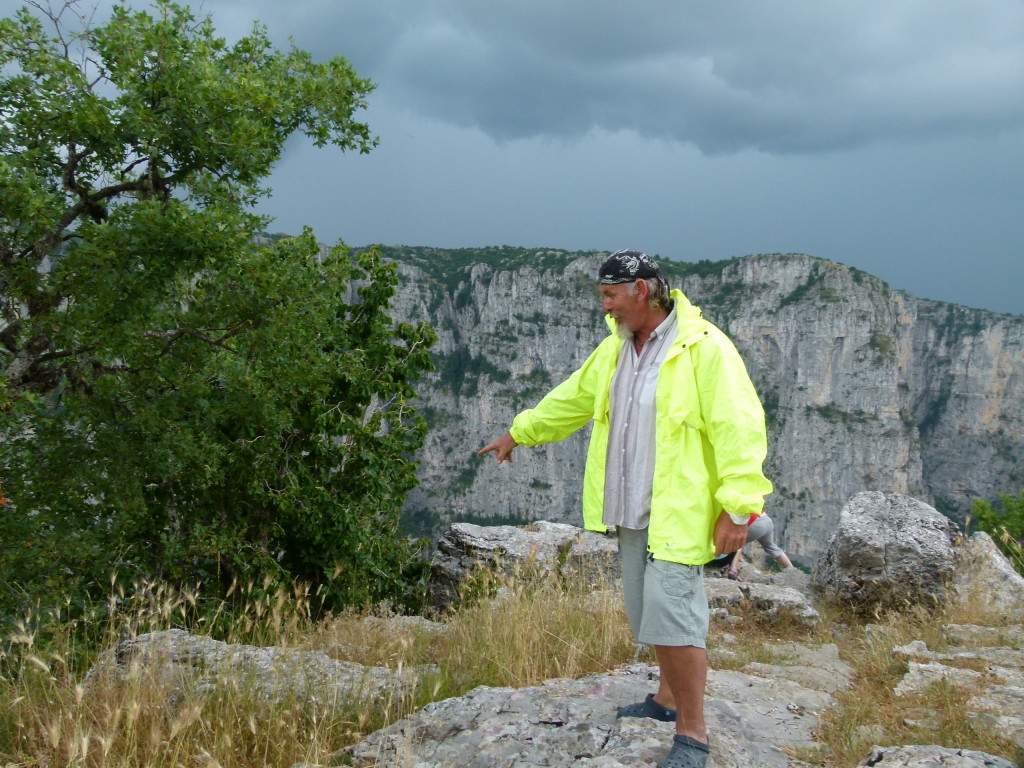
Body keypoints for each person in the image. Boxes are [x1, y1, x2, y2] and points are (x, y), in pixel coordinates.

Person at [478, 249, 773, 768]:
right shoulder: (616, 350)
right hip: (631, 508)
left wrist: (740, 509)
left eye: (610, 295)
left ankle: (693, 734)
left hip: (681, 511)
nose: (605, 307)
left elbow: (739, 430)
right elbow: (573, 398)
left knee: (675, 617)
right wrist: (518, 434)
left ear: (641, 292)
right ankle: (664, 699)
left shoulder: (704, 348)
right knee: (646, 613)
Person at [713, 512, 794, 580]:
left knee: (737, 543)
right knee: (771, 546)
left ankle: (733, 570)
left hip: (755, 524)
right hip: (766, 520)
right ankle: (792, 570)